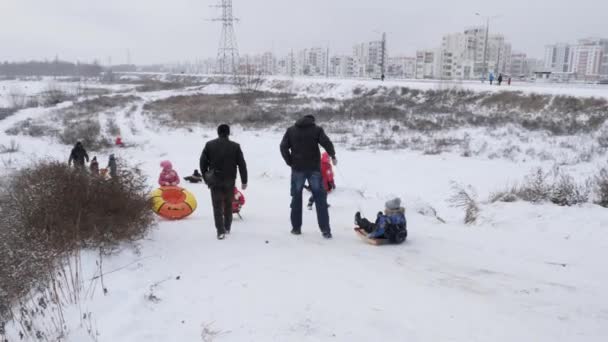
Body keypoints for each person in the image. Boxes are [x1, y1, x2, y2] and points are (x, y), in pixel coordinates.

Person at [280, 114, 336, 239]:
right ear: (312, 121)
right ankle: (325, 230)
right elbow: (326, 142)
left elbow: (283, 147)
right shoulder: (316, 129)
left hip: (297, 168)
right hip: (314, 169)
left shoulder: (291, 130)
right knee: (320, 199)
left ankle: (296, 228)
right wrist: (333, 155)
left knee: (296, 198)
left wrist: (290, 162)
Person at [200, 124, 248, 240]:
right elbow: (242, 165)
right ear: (228, 133)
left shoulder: (209, 145)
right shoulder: (235, 146)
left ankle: (220, 231)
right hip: (229, 180)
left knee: (217, 206)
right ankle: (227, 227)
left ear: (218, 132)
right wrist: (244, 180)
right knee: (228, 204)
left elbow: (202, 162)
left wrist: (205, 176)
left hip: (215, 180)